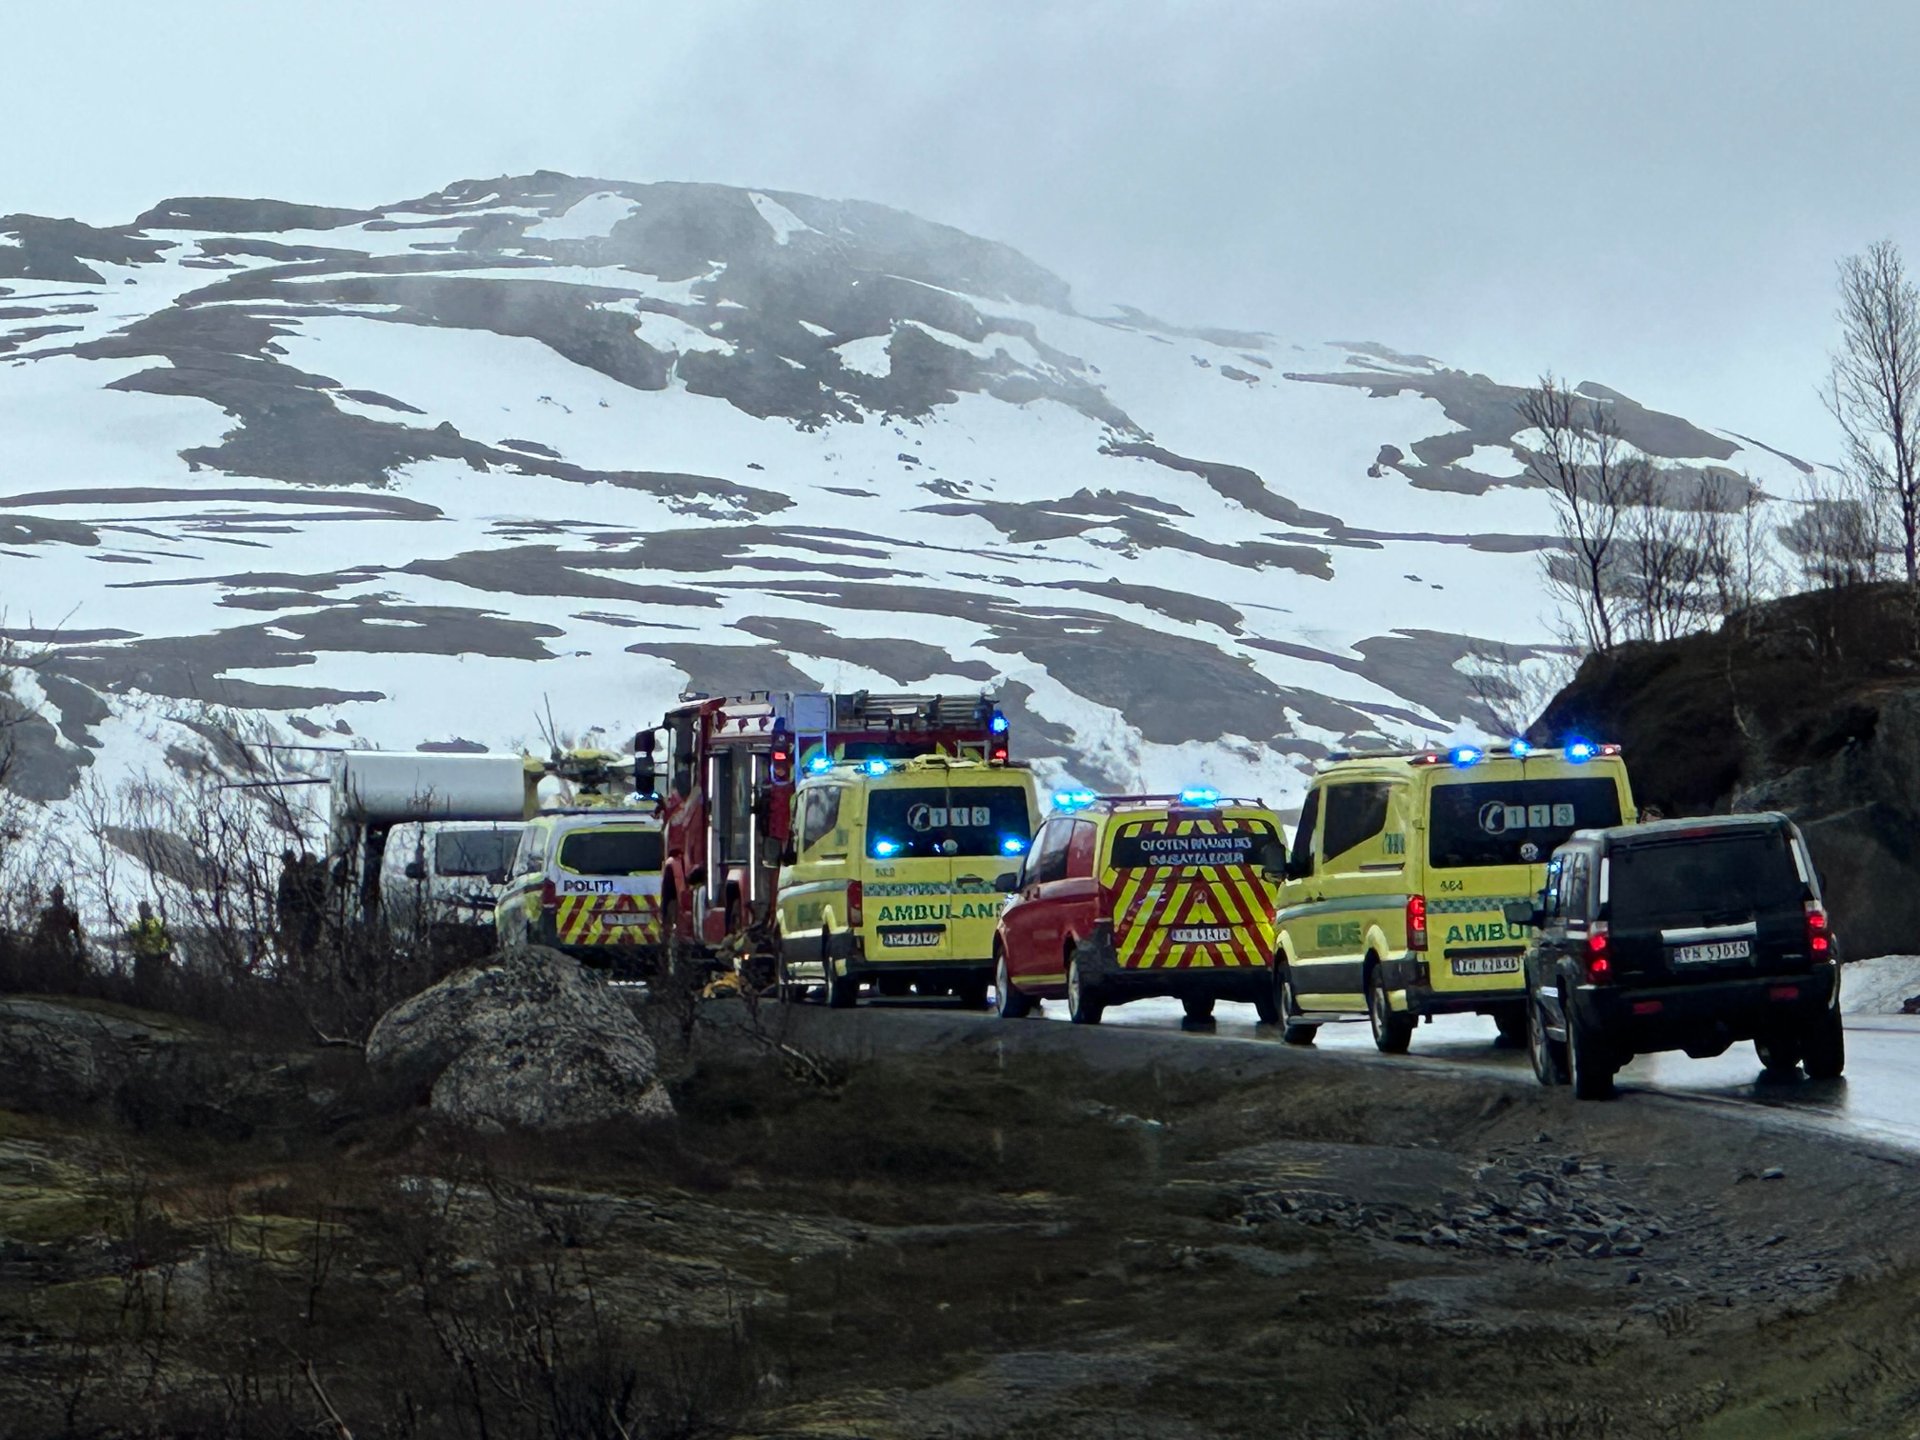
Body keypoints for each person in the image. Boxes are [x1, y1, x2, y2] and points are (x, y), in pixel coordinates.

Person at [125, 900, 173, 1002]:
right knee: (141, 983)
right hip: (143, 957)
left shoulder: (155, 924)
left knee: (152, 983)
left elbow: (165, 940)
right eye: (141, 910)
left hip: (152, 958)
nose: (142, 912)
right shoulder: (139, 924)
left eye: (143, 910)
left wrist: (164, 954)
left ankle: (150, 1003)